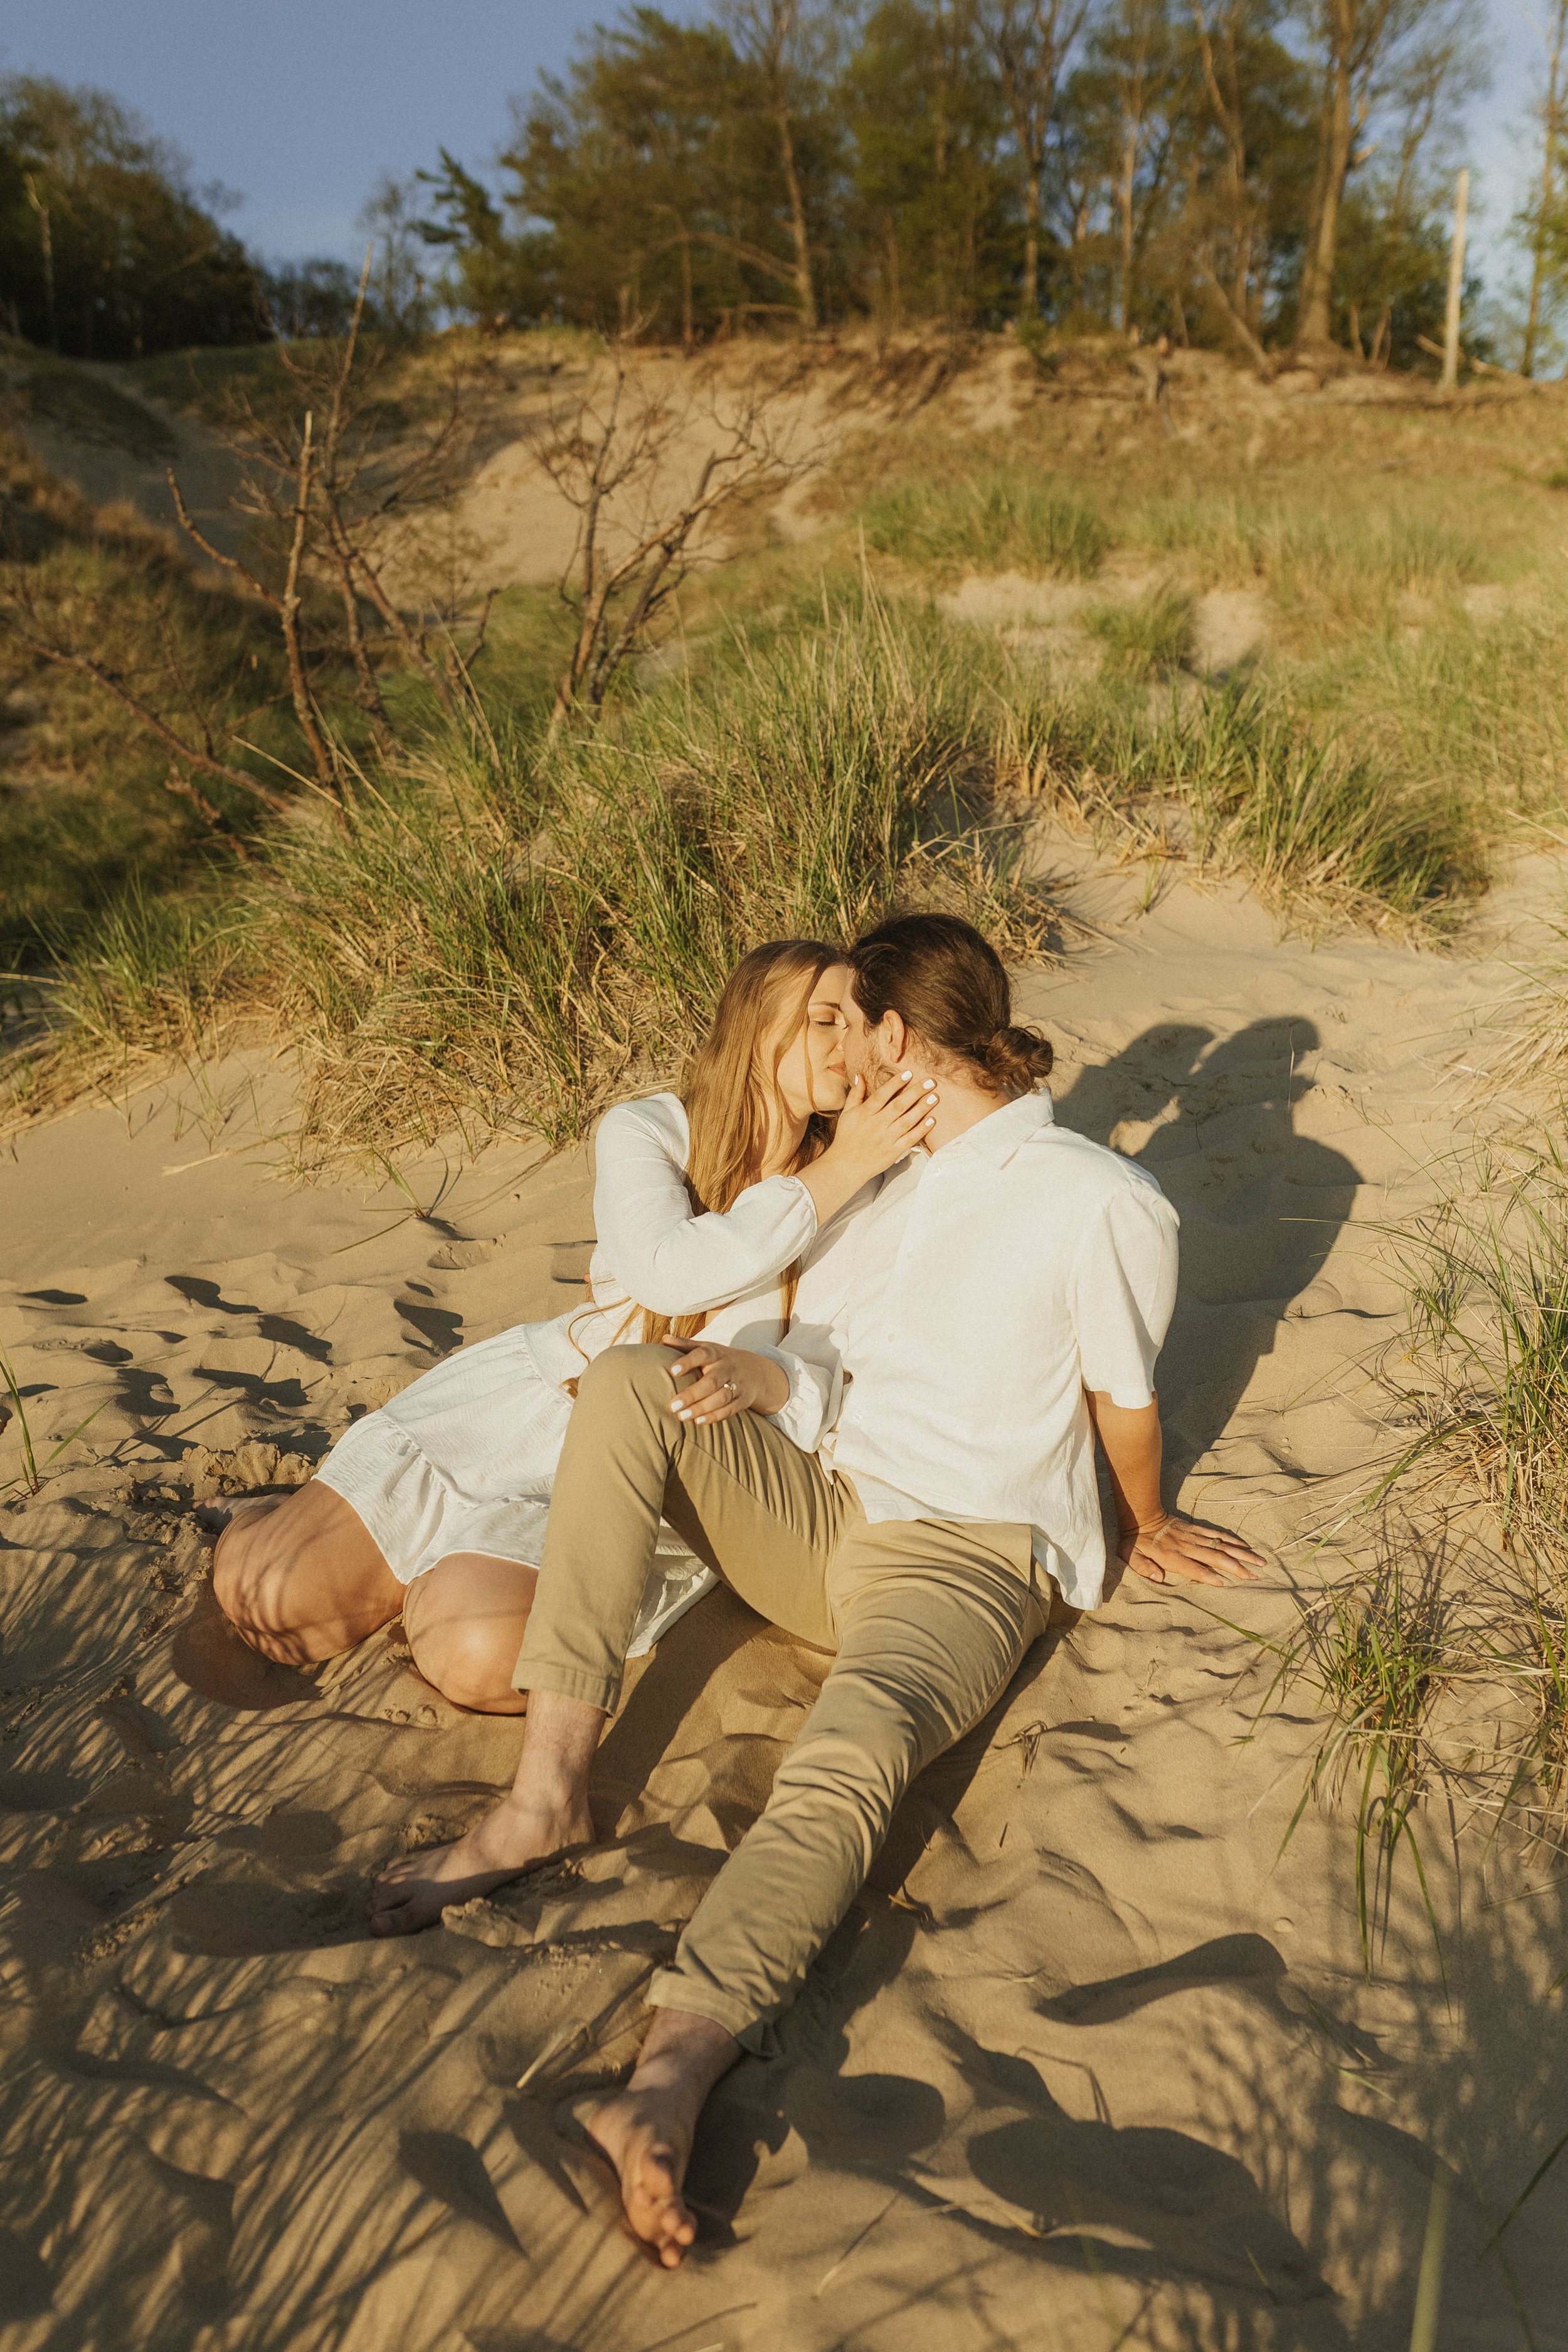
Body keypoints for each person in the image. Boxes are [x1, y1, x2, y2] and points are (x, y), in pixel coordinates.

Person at [368, 911, 1265, 2264]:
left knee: (846, 1759)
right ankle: (544, 1796)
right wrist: (768, 1377)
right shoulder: (883, 1176)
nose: (837, 1054)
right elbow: (832, 1354)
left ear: (900, 1037)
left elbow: (1121, 1398)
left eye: (852, 1025)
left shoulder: (1100, 1197)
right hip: (820, 1503)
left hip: (959, 1556)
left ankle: (666, 2080)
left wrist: (1144, 1517)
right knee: (629, 1386)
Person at [211, 939, 940, 1711]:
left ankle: (427, 1580)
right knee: (271, 1603)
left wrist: (845, 1174)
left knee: (474, 1652)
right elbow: (670, 1269)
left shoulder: (861, 1188)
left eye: (858, 1025)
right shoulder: (651, 1130)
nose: (845, 1043)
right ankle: (267, 1515)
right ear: (757, 1026)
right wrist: (831, 1174)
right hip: (523, 1410)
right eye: (823, 1019)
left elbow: (831, 1359)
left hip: (645, 1470)